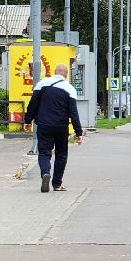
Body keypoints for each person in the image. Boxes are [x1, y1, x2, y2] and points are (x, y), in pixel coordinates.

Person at [24, 63, 83, 193]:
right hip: (61, 127)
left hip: (44, 125)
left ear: (54, 72)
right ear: (66, 75)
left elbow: (33, 104)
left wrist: (27, 120)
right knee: (61, 154)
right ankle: (57, 184)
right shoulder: (69, 89)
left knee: (44, 152)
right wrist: (79, 132)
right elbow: (73, 112)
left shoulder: (42, 84)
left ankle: (45, 173)